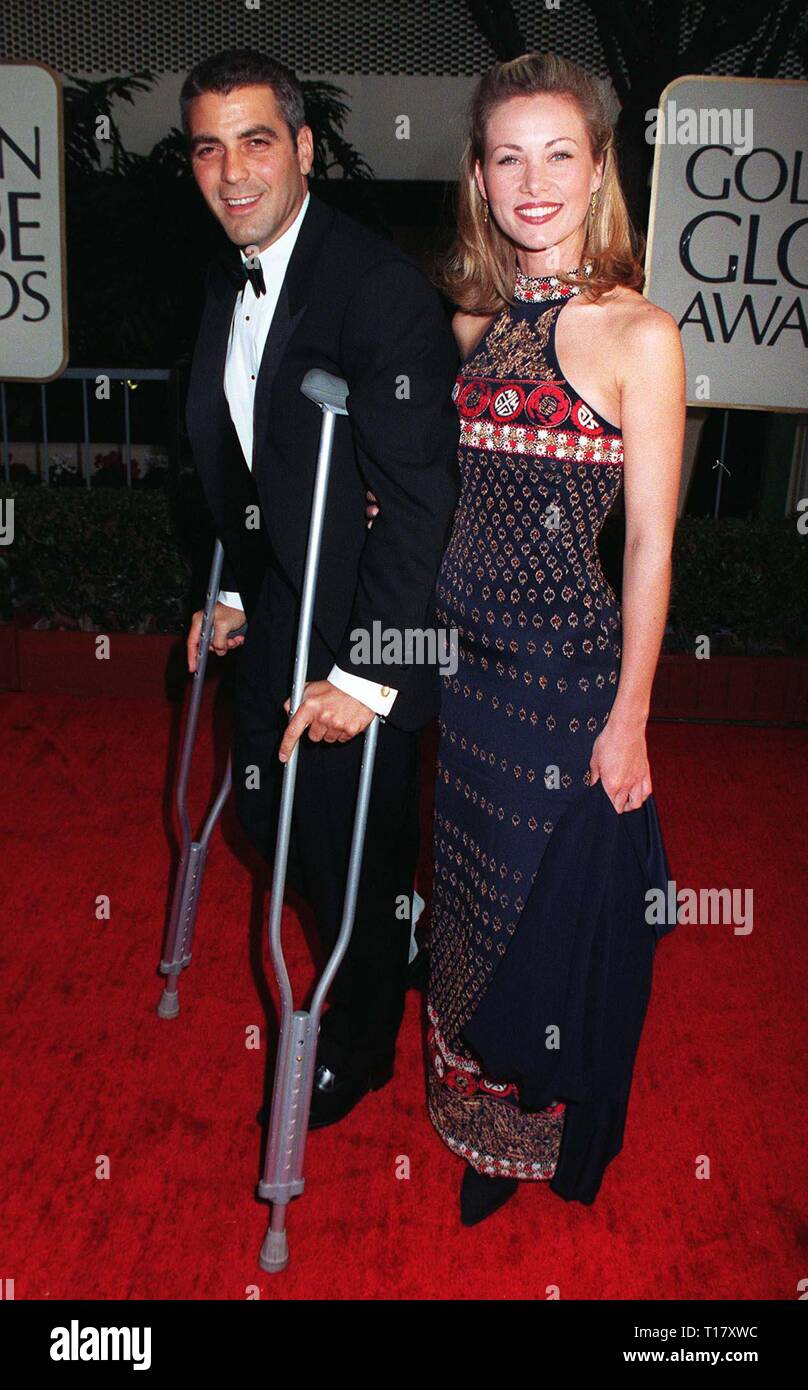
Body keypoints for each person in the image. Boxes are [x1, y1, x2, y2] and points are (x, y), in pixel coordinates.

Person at [423, 52, 685, 1224]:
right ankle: (473, 1117)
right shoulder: (472, 318)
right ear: (480, 176)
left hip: (567, 683)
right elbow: (450, 491)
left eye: (558, 154)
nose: (532, 182)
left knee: (544, 911)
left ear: (595, 173)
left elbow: (648, 546)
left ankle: (527, 1137)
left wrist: (629, 717)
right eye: (507, 156)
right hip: (466, 683)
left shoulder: (640, 335)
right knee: (470, 901)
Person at [181, 49, 460, 1129]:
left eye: (257, 140)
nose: (232, 169)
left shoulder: (378, 290)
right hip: (282, 603)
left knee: (352, 845)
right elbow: (249, 456)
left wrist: (367, 676)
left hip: (365, 634)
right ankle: (404, 927)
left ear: (302, 148)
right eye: (209, 146)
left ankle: (360, 1040)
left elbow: (420, 495)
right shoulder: (222, 271)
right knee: (262, 811)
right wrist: (246, 590)